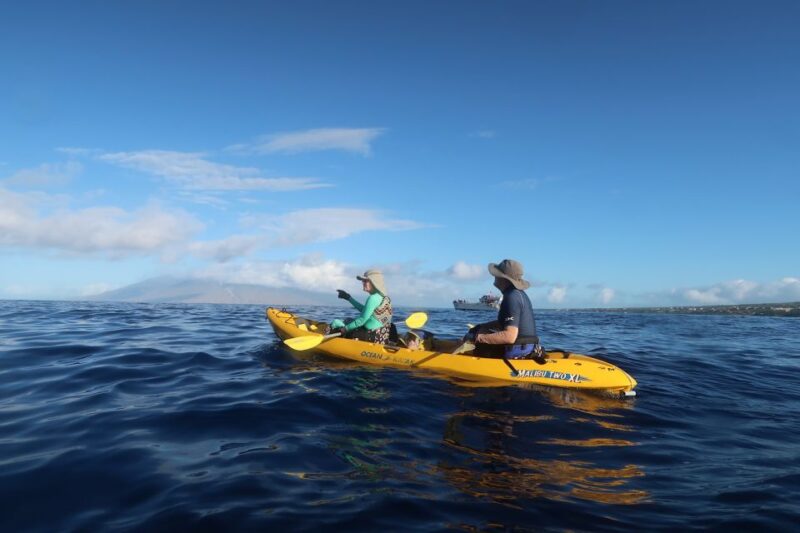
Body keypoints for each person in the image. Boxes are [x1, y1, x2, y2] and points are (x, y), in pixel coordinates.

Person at [465, 259, 543, 360]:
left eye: (497, 274)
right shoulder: (517, 294)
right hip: (527, 347)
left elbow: (509, 336)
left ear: (504, 279)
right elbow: (506, 323)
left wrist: (477, 338)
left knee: (480, 347)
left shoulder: (512, 297)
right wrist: (481, 327)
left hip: (518, 352)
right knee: (481, 334)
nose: (494, 276)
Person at [330, 269, 393, 344]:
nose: (363, 283)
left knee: (335, 322)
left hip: (370, 337)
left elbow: (362, 320)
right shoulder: (385, 298)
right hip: (382, 337)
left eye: (365, 281)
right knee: (348, 320)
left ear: (374, 282)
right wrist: (348, 298)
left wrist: (345, 329)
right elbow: (366, 310)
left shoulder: (373, 298)